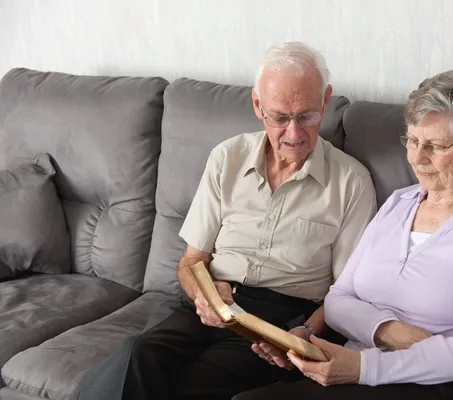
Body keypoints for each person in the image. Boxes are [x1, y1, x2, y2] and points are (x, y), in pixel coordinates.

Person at [74, 42, 376, 400]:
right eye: (280, 117)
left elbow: (346, 293)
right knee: (137, 358)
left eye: (307, 116)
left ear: (326, 102)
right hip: (212, 302)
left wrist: (306, 333)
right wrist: (201, 294)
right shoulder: (227, 157)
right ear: (257, 106)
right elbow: (191, 261)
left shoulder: (351, 182)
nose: (294, 135)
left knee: (194, 386)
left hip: (279, 321)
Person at [234, 69, 453, 400]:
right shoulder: (399, 202)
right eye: (413, 140)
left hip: (433, 384)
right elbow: (338, 300)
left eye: (434, 146)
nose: (417, 159)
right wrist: (392, 335)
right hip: (356, 364)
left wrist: (366, 368)